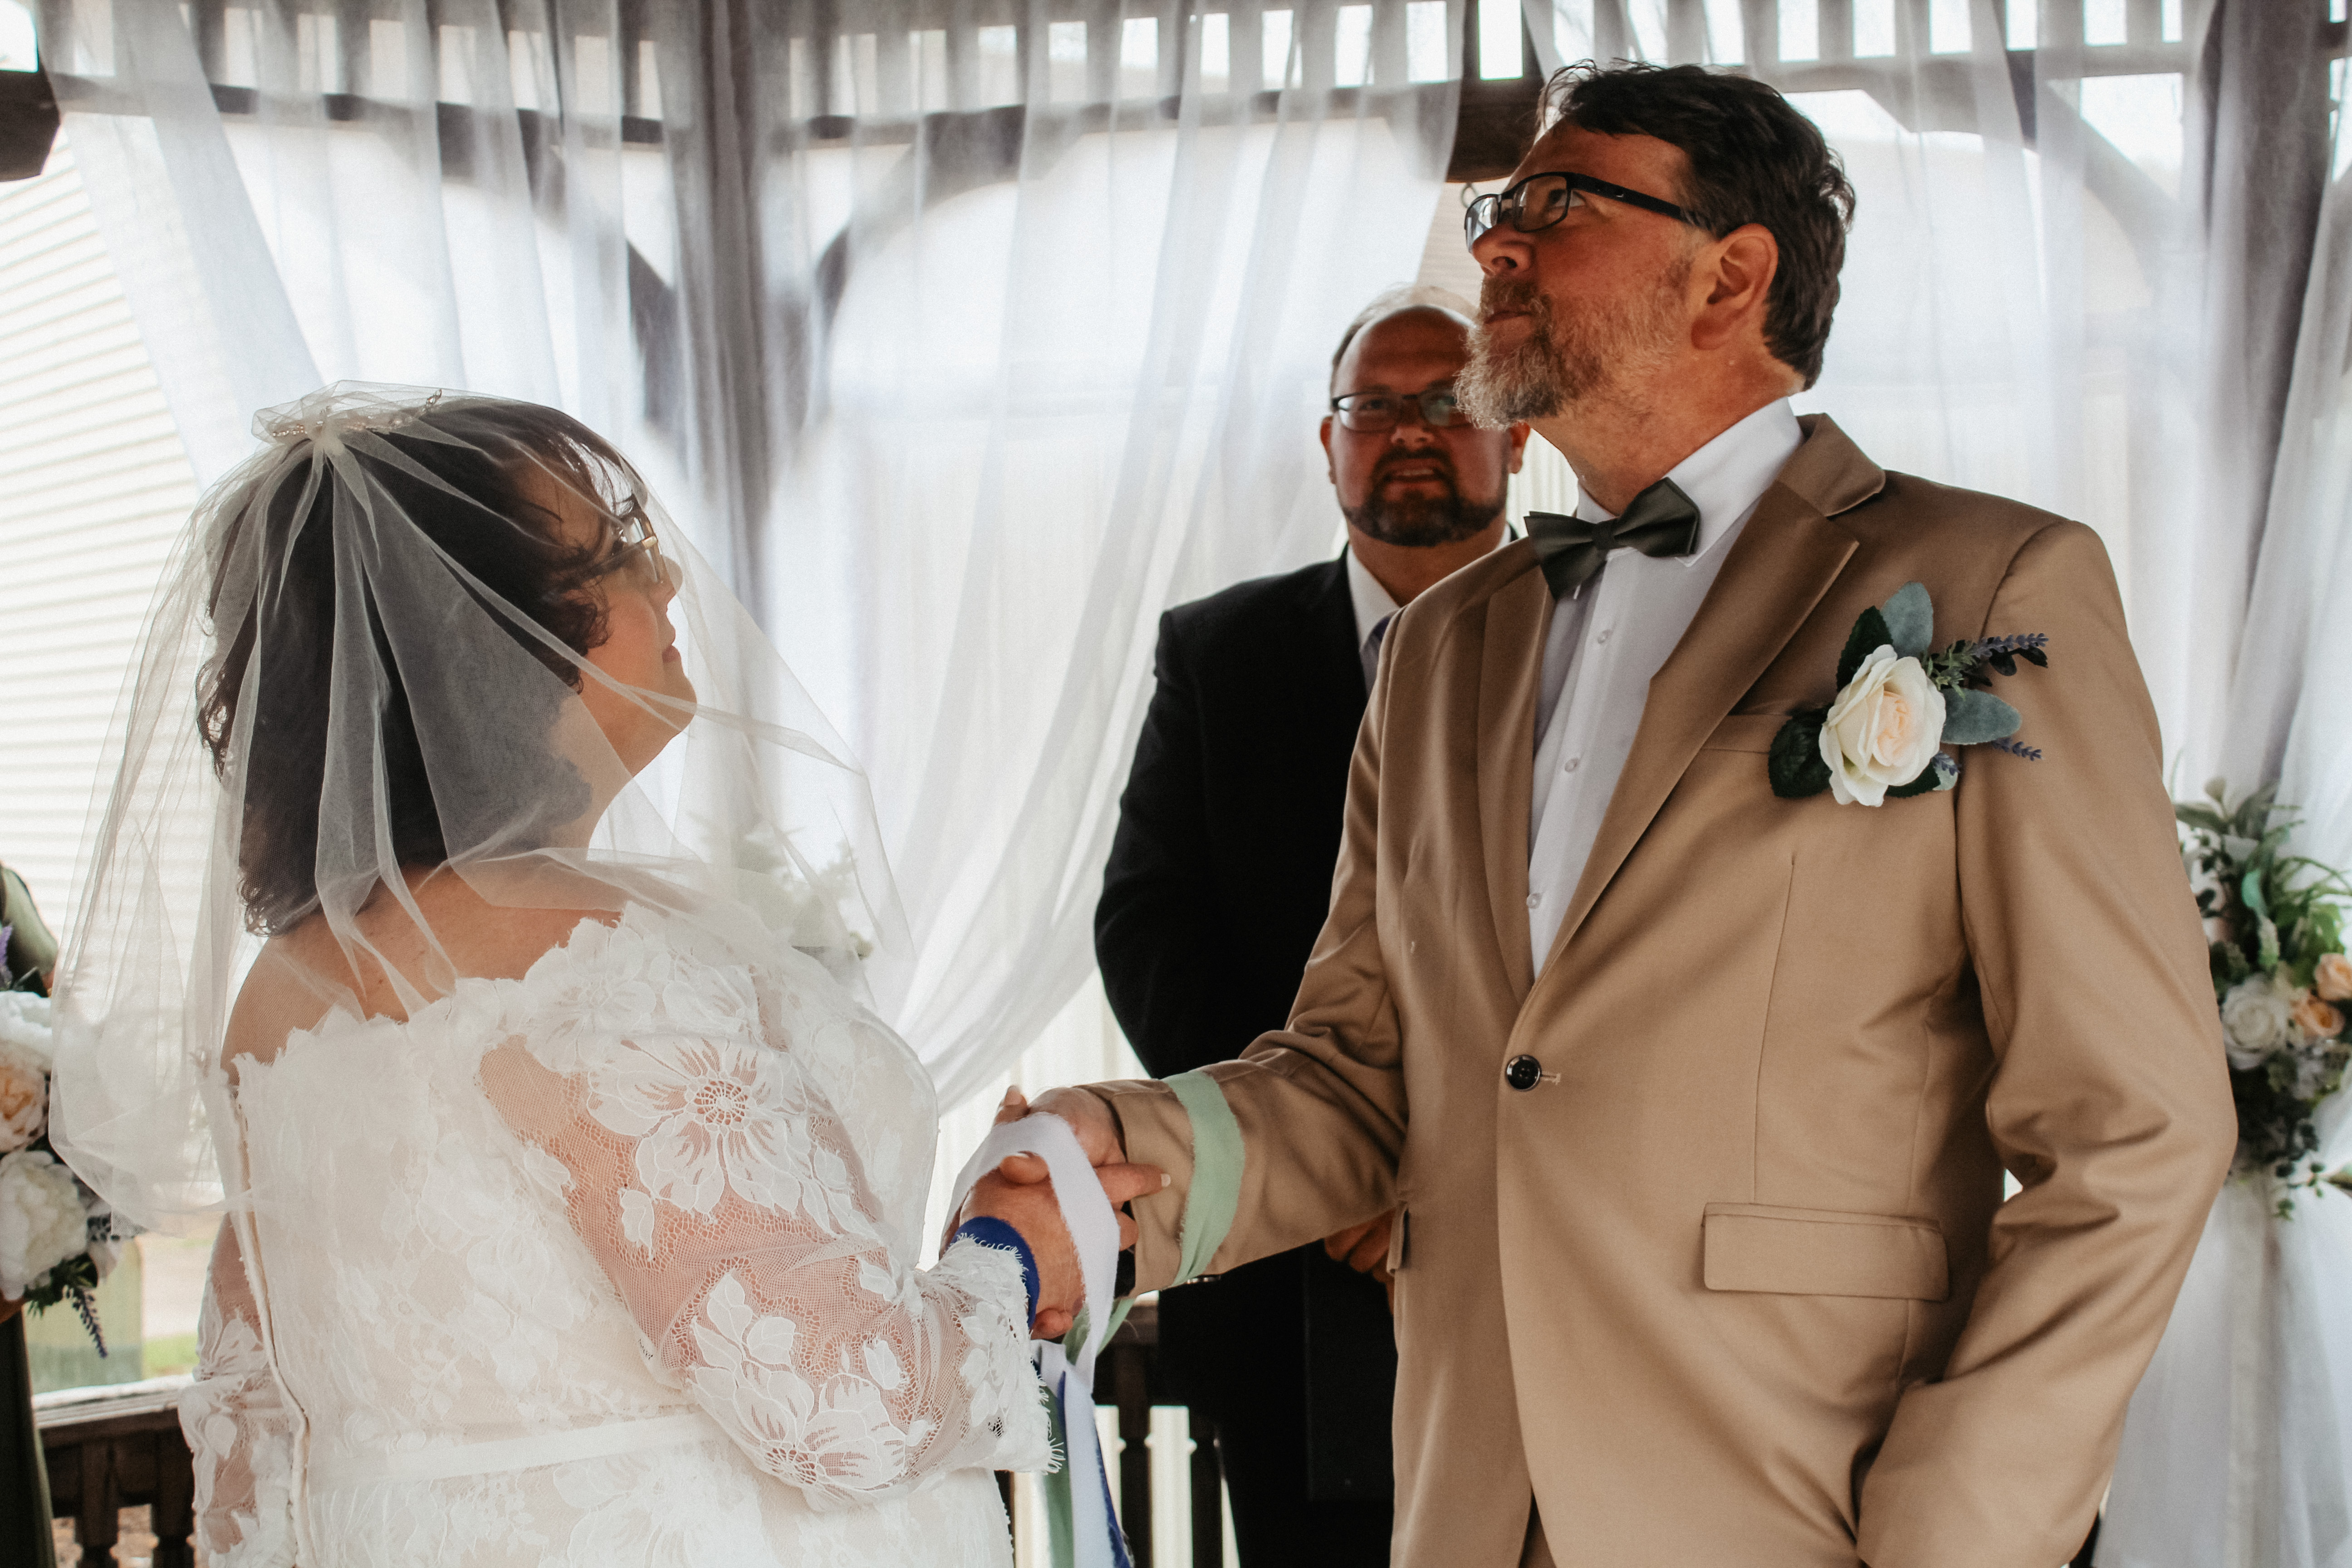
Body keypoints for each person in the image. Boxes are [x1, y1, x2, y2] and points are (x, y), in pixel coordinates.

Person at [1026, 61, 2235, 1568]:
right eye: (1496, 210)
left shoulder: (1993, 589)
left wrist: (1965, 1525)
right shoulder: (1442, 648)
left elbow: (2133, 1132)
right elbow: (1358, 1075)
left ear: (1732, 276)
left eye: (1554, 206)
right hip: (1473, 1491)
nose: (1493, 250)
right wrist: (1114, 1163)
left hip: (1809, 1503)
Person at [47, 385, 1157, 1568]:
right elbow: (846, 1408)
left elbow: (255, 1432)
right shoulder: (607, 970)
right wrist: (1015, 1253)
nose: (666, 582)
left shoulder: (291, 982)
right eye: (618, 553)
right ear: (493, 638)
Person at [1094, 284, 1526, 1563]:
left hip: (1532, 1234)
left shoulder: (1591, 637)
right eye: (1372, 406)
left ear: (1515, 432)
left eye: (1448, 403)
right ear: (1325, 442)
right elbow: (1149, 927)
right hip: (1288, 1269)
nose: (1408, 430)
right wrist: (1323, 1166)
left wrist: (1450, 1174)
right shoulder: (1217, 653)